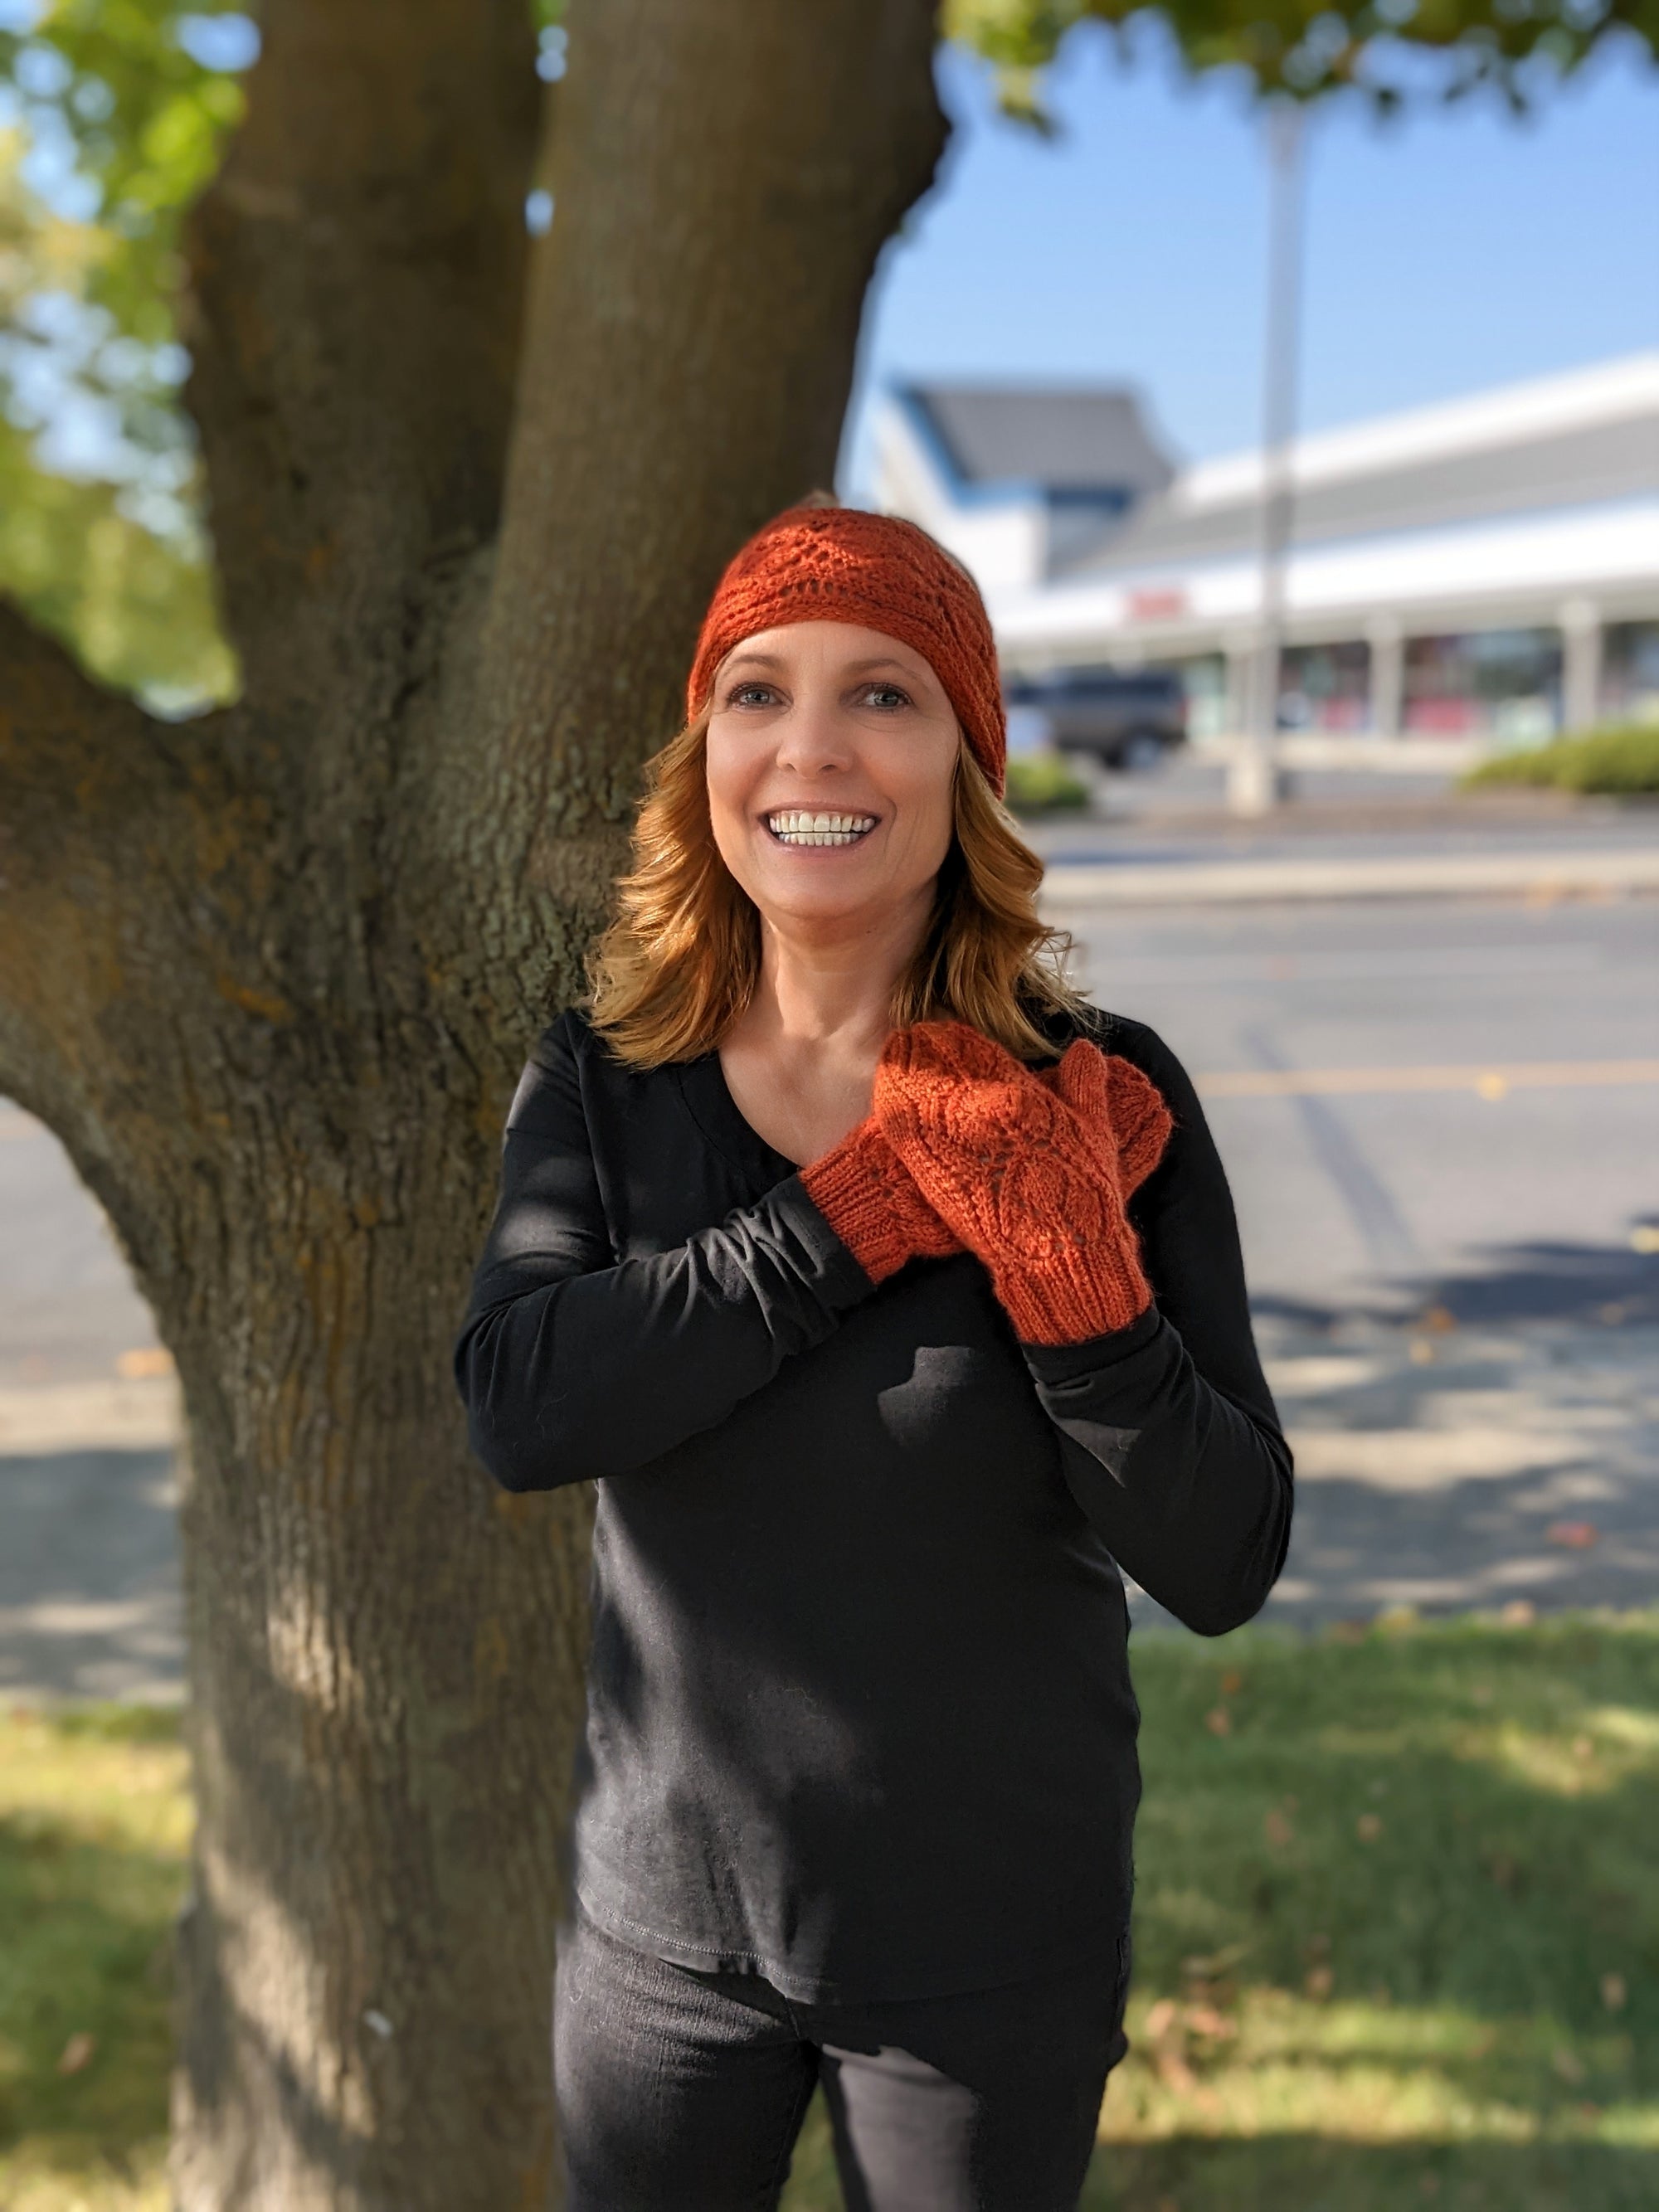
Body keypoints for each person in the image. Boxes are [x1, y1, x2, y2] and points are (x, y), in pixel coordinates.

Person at [454, 503, 1293, 2212]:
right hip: (665, 1941)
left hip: (990, 1948)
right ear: (707, 755)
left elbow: (1221, 1556)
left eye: (884, 694)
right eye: (757, 692)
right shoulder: (606, 1079)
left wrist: (1073, 1281)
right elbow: (523, 1407)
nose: (810, 745)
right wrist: (850, 1213)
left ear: (967, 764)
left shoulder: (1097, 1103)